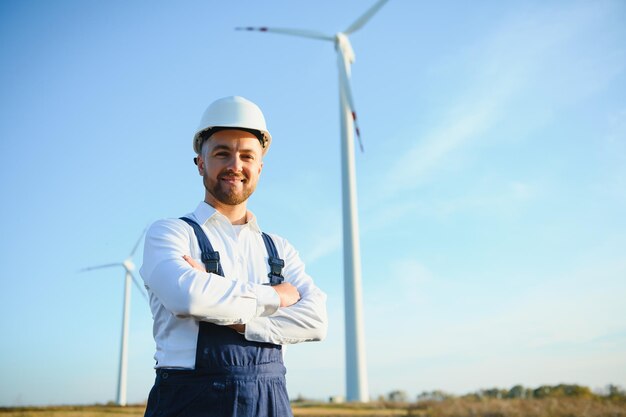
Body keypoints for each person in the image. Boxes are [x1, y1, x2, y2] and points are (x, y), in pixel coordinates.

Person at [140, 96, 328, 417]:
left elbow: (315, 321)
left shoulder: (280, 249)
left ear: (259, 167)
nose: (235, 166)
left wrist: (238, 319)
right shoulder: (170, 234)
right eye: (222, 153)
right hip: (189, 401)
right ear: (201, 162)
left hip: (271, 401)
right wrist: (275, 297)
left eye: (246, 156)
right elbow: (188, 299)